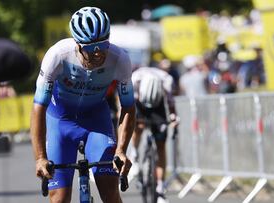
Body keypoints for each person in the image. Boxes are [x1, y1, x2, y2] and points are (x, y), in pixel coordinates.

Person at [30, 6, 136, 203]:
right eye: (90, 48)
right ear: (78, 45)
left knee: (110, 192)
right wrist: (40, 158)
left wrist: (121, 149)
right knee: (59, 198)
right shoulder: (58, 56)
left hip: (97, 122)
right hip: (60, 121)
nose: (98, 54)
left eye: (103, 46)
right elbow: (38, 107)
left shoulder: (119, 59)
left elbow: (128, 107)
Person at [130, 66, 178, 203]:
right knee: (137, 126)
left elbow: (171, 103)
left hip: (159, 105)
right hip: (140, 102)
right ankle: (135, 153)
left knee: (161, 145)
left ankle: (160, 189)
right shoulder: (134, 79)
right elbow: (127, 105)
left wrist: (174, 118)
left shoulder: (167, 81)